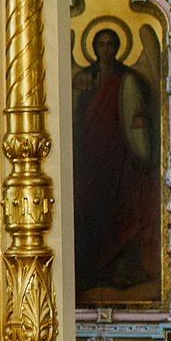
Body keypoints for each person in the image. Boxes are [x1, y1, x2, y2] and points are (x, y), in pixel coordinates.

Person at [71, 26, 158, 296]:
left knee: (125, 208)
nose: (106, 49)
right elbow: (77, 117)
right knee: (92, 208)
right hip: (93, 156)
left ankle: (124, 268)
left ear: (118, 47)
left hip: (121, 157)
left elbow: (140, 112)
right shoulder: (85, 78)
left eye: (111, 44)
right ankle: (94, 272)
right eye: (102, 44)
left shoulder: (127, 77)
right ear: (94, 48)